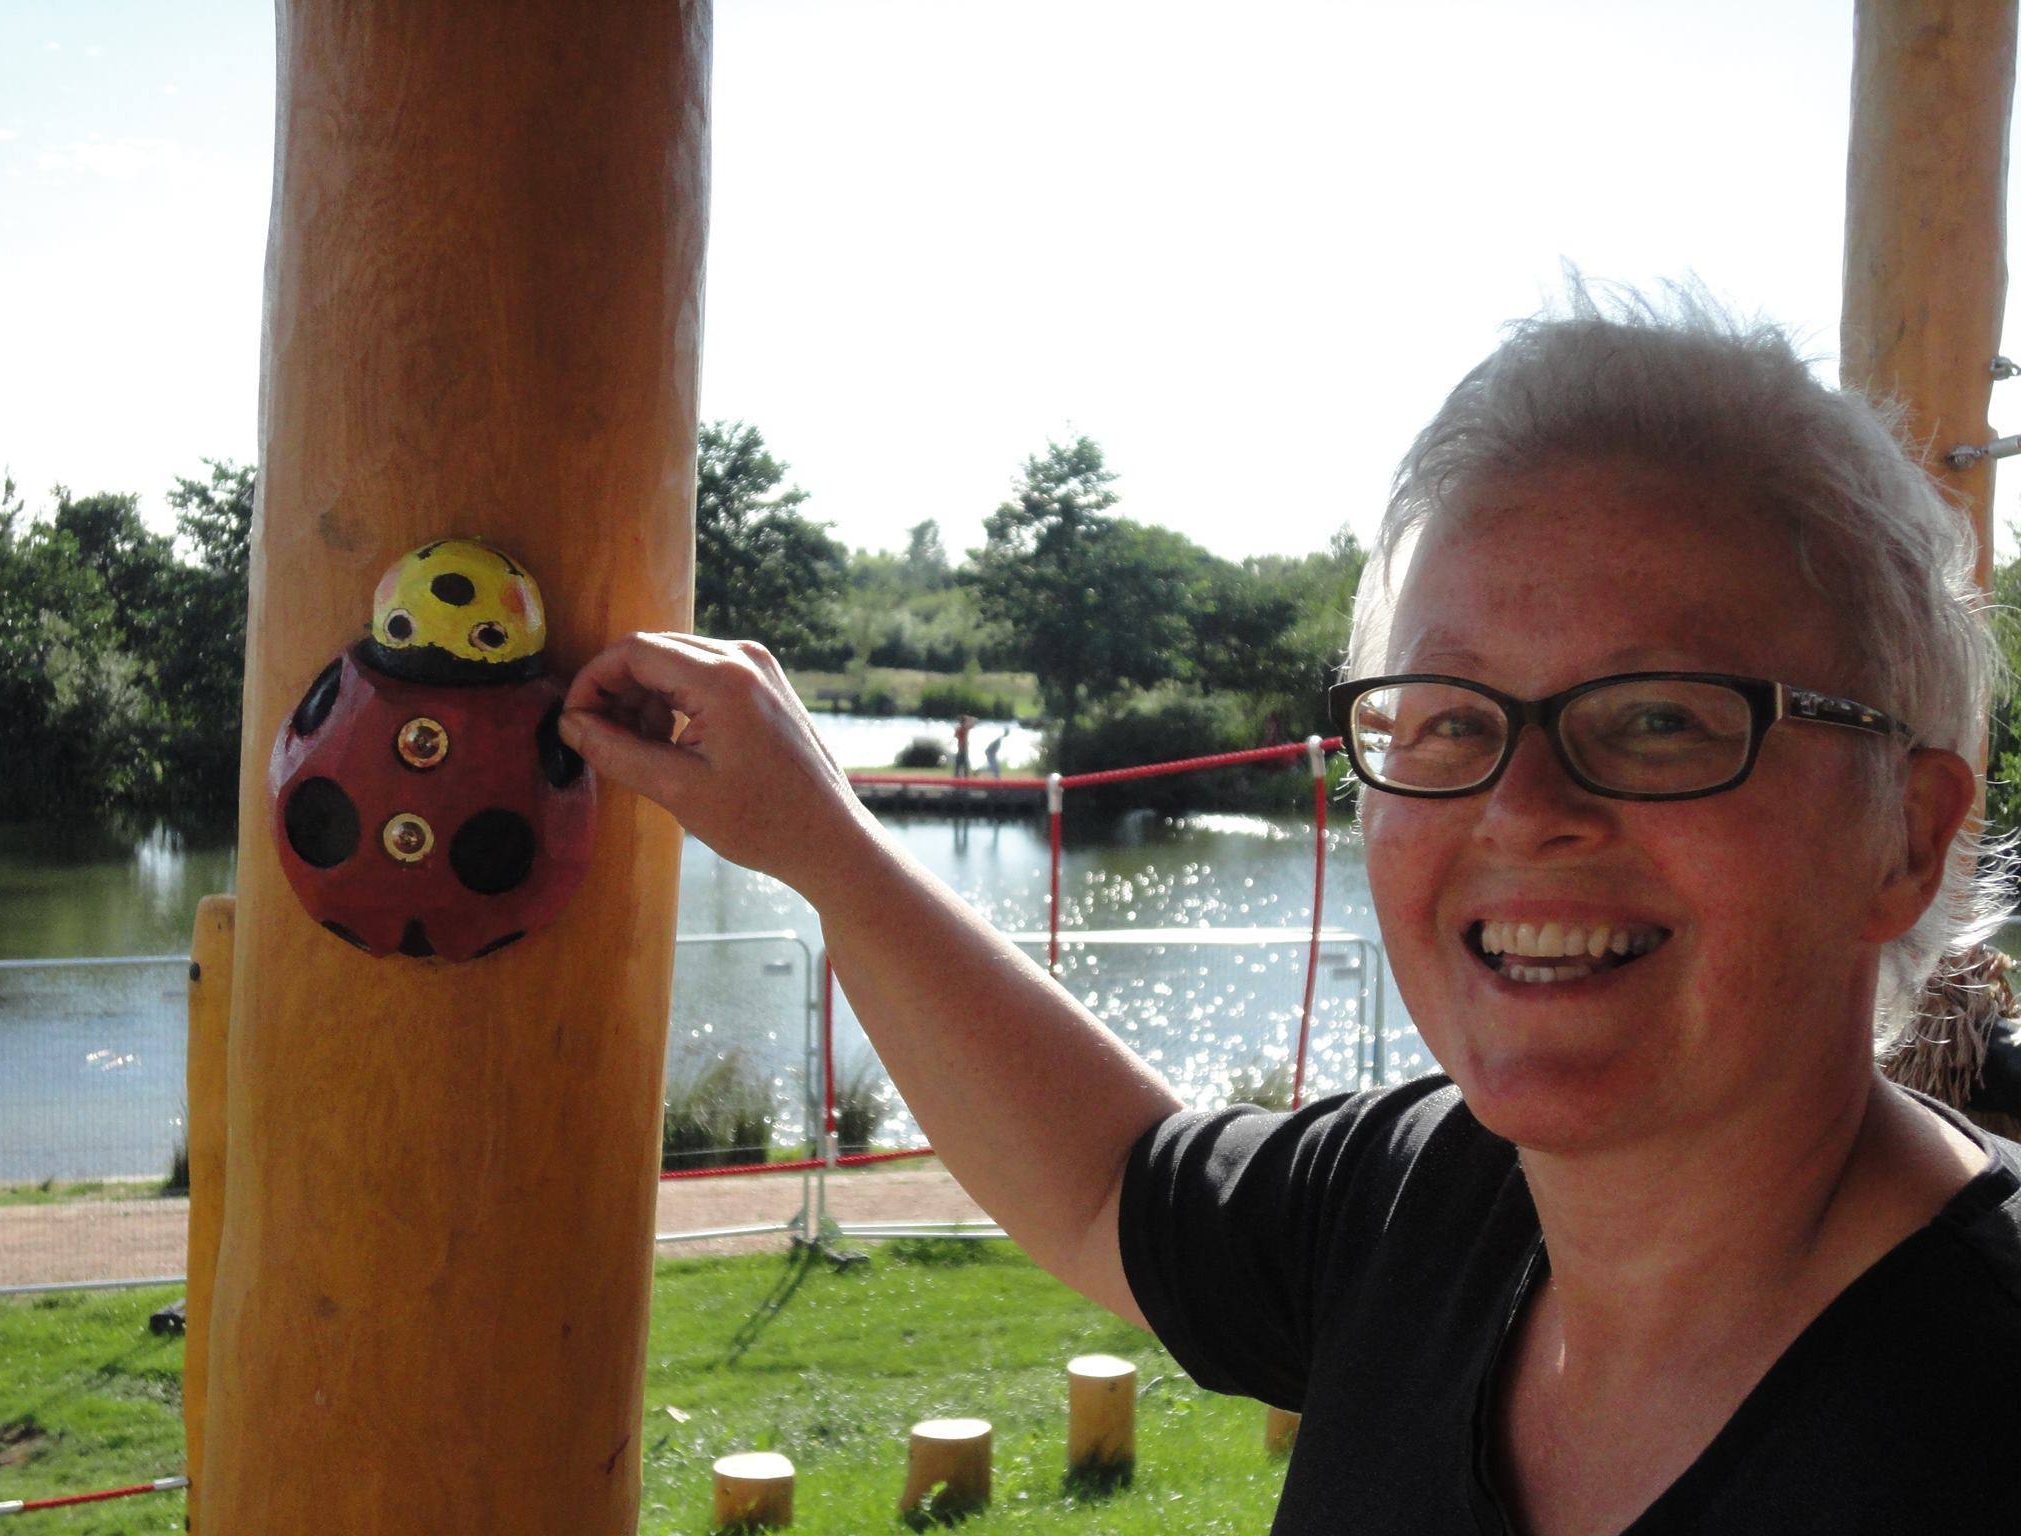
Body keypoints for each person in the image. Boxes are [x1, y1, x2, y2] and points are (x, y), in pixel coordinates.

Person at [558, 289, 2021, 1533]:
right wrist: (819, 841)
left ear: (1905, 833)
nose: (1522, 809)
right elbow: (1103, 1187)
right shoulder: (1425, 1205)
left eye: (1658, 722)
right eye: (1447, 721)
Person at [952, 712, 978, 778]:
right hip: (963, 748)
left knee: (960, 764)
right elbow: (974, 721)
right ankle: (964, 777)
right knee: (963, 764)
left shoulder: (960, 728)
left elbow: (955, 736)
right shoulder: (963, 728)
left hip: (962, 748)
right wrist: (968, 718)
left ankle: (959, 777)